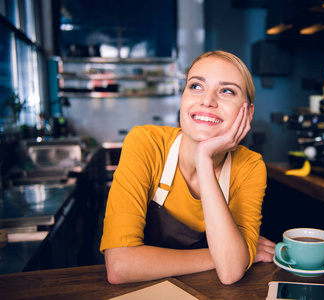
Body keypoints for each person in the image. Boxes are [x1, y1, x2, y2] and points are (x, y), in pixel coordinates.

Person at [100, 50, 275, 285]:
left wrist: (203, 156)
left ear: (248, 112)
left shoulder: (250, 166)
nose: (207, 100)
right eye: (196, 86)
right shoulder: (145, 143)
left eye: (227, 91)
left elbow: (230, 273)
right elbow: (120, 266)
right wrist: (230, 255)